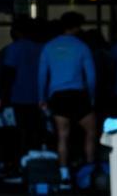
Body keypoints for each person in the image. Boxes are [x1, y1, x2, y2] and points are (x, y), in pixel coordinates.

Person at [38, 12, 96, 189]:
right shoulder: (82, 46)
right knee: (91, 132)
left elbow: (42, 74)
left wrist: (41, 97)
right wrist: (92, 97)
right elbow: (91, 76)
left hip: (58, 96)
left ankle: (64, 176)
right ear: (76, 27)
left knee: (62, 135)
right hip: (78, 94)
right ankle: (89, 172)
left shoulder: (49, 47)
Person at [0, 19, 43, 169]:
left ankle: (18, 164)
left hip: (17, 97)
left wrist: (2, 98)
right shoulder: (40, 48)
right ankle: (33, 163)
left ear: (17, 31)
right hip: (37, 97)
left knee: (16, 133)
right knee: (35, 132)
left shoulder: (13, 49)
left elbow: (8, 74)